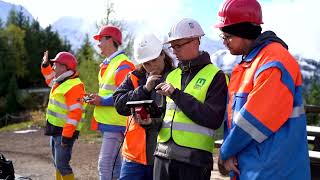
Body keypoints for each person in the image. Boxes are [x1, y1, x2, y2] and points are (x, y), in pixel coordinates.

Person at [215, 0, 311, 179]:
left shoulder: (273, 62)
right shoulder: (251, 62)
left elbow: (254, 120)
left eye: (227, 36)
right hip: (255, 165)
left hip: (274, 169)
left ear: (243, 32)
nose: (224, 42)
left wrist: (226, 151)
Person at [154, 18, 228, 180]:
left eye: (178, 45)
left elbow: (213, 119)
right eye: (172, 46)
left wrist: (176, 94)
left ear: (196, 41)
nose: (174, 51)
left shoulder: (216, 77)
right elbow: (163, 115)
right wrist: (149, 121)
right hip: (162, 155)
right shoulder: (171, 75)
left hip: (194, 161)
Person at [113, 33, 175, 180]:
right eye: (146, 63)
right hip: (133, 156)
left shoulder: (176, 77)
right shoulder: (134, 77)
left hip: (162, 155)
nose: (151, 66)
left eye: (154, 61)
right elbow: (119, 104)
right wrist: (144, 90)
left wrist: (151, 122)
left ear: (162, 55)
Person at [89, 25, 135, 180]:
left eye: (100, 39)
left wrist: (102, 101)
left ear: (110, 40)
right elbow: (110, 92)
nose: (98, 43)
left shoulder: (123, 65)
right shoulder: (109, 64)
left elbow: (127, 95)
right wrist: (98, 99)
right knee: (115, 167)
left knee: (105, 164)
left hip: (117, 123)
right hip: (109, 123)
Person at [41, 51, 86, 180]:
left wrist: (66, 136)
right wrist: (45, 65)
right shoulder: (59, 81)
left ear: (65, 67)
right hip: (55, 129)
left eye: (56, 64)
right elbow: (49, 78)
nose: (53, 67)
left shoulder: (74, 86)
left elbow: (75, 113)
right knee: (57, 164)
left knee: (62, 165)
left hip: (64, 133)